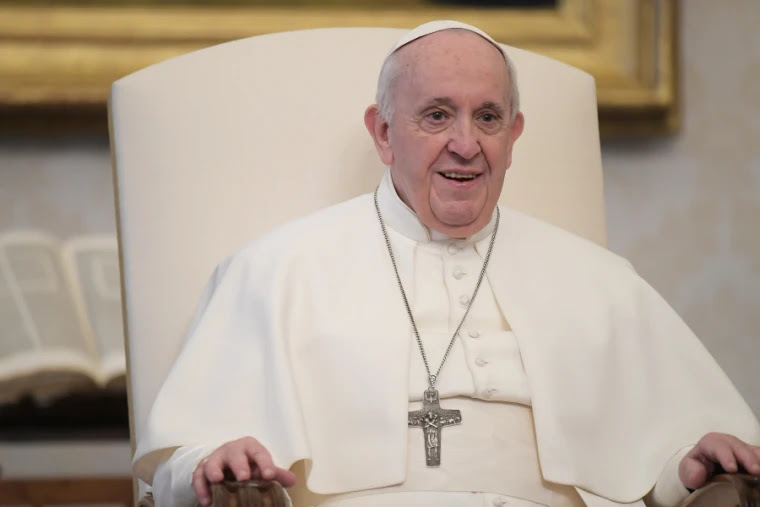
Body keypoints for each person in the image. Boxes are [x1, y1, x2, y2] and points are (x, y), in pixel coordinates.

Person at [133, 20, 760, 507]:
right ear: (382, 133)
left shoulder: (602, 282)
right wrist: (207, 462)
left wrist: (686, 463)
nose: (466, 144)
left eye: (487, 117)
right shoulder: (276, 269)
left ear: (514, 136)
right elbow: (181, 462)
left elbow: (669, 461)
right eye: (437, 115)